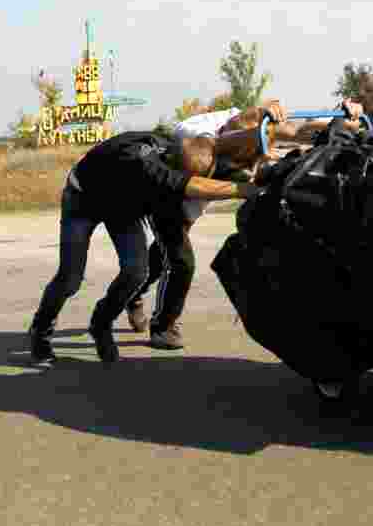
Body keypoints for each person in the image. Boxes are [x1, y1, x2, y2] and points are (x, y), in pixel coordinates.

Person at [122, 99, 366, 348]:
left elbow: (301, 131)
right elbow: (200, 181)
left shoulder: (261, 125)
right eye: (242, 155)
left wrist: (343, 119)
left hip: (206, 184)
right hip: (172, 192)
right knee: (180, 261)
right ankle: (163, 327)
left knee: (162, 253)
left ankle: (134, 294)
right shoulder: (192, 134)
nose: (248, 161)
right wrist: (244, 185)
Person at [28, 129, 261, 365]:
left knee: (136, 273)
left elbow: (217, 169)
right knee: (70, 278)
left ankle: (101, 324)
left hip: (124, 207)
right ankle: (41, 332)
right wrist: (246, 191)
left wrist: (264, 179)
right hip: (83, 200)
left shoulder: (182, 148)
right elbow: (192, 185)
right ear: (171, 164)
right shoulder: (145, 165)